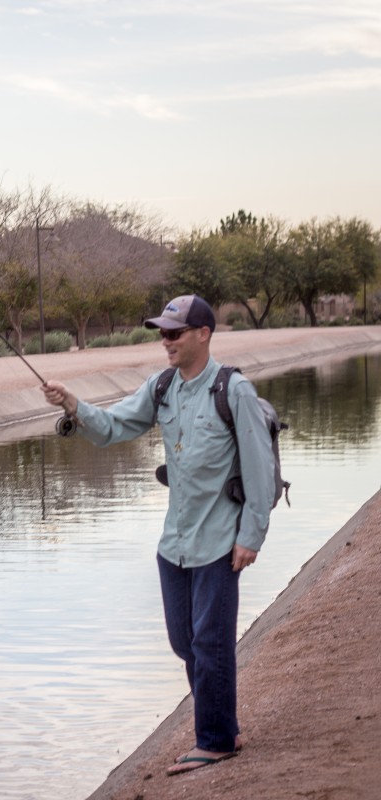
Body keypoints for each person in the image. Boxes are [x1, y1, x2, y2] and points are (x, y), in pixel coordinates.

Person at [40, 294, 275, 777]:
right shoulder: (162, 387)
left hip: (220, 544)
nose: (165, 341)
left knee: (210, 645)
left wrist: (251, 535)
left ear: (203, 334)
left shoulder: (236, 392)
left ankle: (214, 741)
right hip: (175, 546)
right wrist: (72, 403)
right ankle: (223, 728)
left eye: (175, 332)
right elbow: (113, 427)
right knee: (184, 643)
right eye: (162, 333)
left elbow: (260, 471)